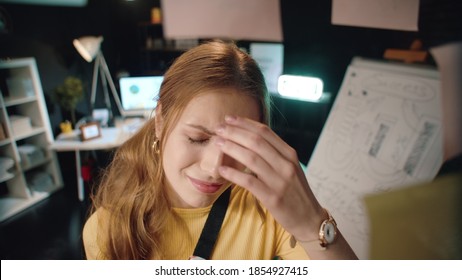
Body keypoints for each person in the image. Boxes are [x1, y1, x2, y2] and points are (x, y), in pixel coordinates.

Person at [83, 40, 358, 260]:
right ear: (160, 122)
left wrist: (311, 224)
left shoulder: (267, 209)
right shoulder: (106, 230)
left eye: (237, 145)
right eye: (197, 139)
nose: (215, 168)